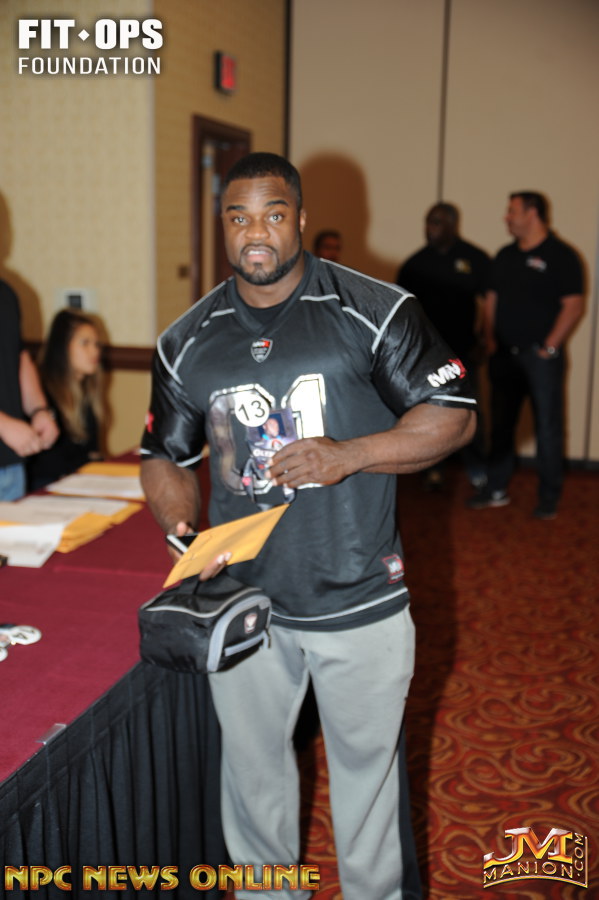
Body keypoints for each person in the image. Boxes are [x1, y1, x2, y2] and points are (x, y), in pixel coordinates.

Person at [140, 152, 476, 900]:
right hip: (243, 603)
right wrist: (179, 520)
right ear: (223, 225)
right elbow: (162, 456)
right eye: (238, 217)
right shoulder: (187, 340)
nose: (255, 232)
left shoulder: (373, 310)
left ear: (299, 218)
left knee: (367, 792)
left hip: (358, 597)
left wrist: (348, 455)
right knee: (252, 784)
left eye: (272, 214)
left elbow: (451, 417)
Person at [468, 191, 584, 520]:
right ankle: (496, 488)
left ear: (532, 214)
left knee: (548, 428)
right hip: (504, 357)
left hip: (540, 360)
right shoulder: (505, 256)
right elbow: (490, 300)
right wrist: (490, 339)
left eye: (512, 211)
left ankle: (548, 496)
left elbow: (573, 305)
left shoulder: (561, 256)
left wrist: (550, 347)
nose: (506, 217)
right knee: (501, 425)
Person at [397, 202, 490, 489]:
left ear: (452, 224)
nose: (429, 228)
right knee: (429, 410)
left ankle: (478, 469)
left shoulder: (474, 258)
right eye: (427, 222)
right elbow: (402, 313)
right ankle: (432, 470)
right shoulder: (414, 264)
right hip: (427, 355)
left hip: (464, 351)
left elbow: (490, 302)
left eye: (436, 222)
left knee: (471, 409)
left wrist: (485, 338)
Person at [28, 309, 104, 490]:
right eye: (85, 343)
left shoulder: (87, 392)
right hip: (45, 487)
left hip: (78, 483)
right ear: (62, 347)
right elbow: (47, 464)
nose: (94, 351)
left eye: (96, 344)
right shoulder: (40, 394)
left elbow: (92, 451)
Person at [0, 279, 59, 500]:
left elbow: (20, 356)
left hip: (12, 463)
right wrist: (3, 425)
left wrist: (39, 409)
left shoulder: (6, 292)